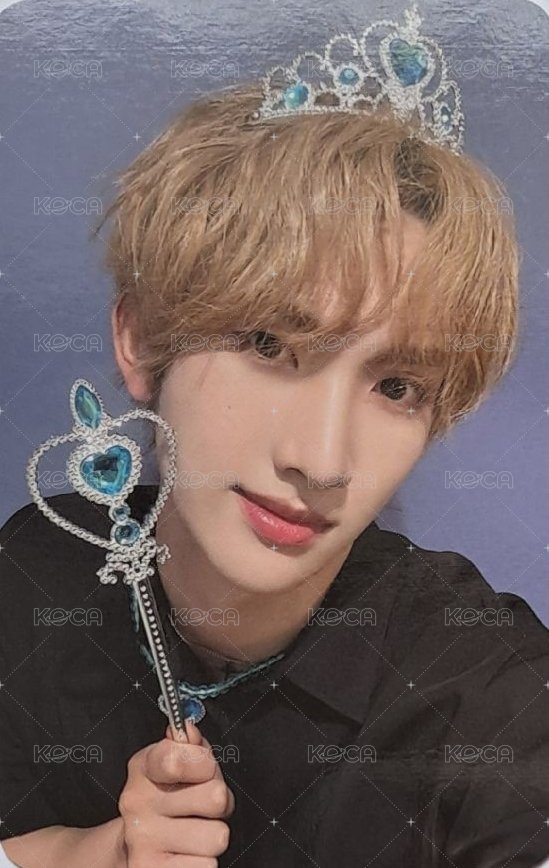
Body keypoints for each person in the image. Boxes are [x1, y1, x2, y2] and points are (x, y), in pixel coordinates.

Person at [2, 9, 549, 865]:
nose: (321, 461)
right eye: (268, 345)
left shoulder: (489, 691)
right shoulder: (34, 571)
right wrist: (80, 854)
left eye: (397, 387)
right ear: (142, 341)